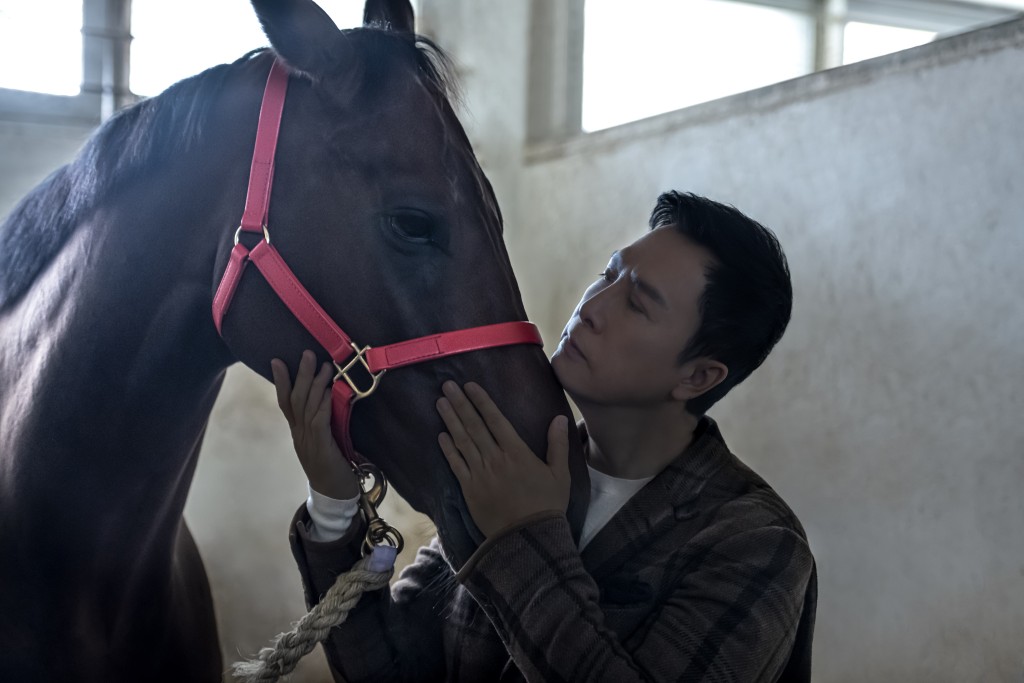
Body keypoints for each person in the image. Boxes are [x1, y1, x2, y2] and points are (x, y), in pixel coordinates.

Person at [270, 191, 817, 682]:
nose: (593, 307)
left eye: (638, 304)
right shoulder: (519, 459)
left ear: (697, 377)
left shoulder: (757, 544)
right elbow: (389, 670)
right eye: (608, 276)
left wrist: (521, 534)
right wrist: (335, 500)